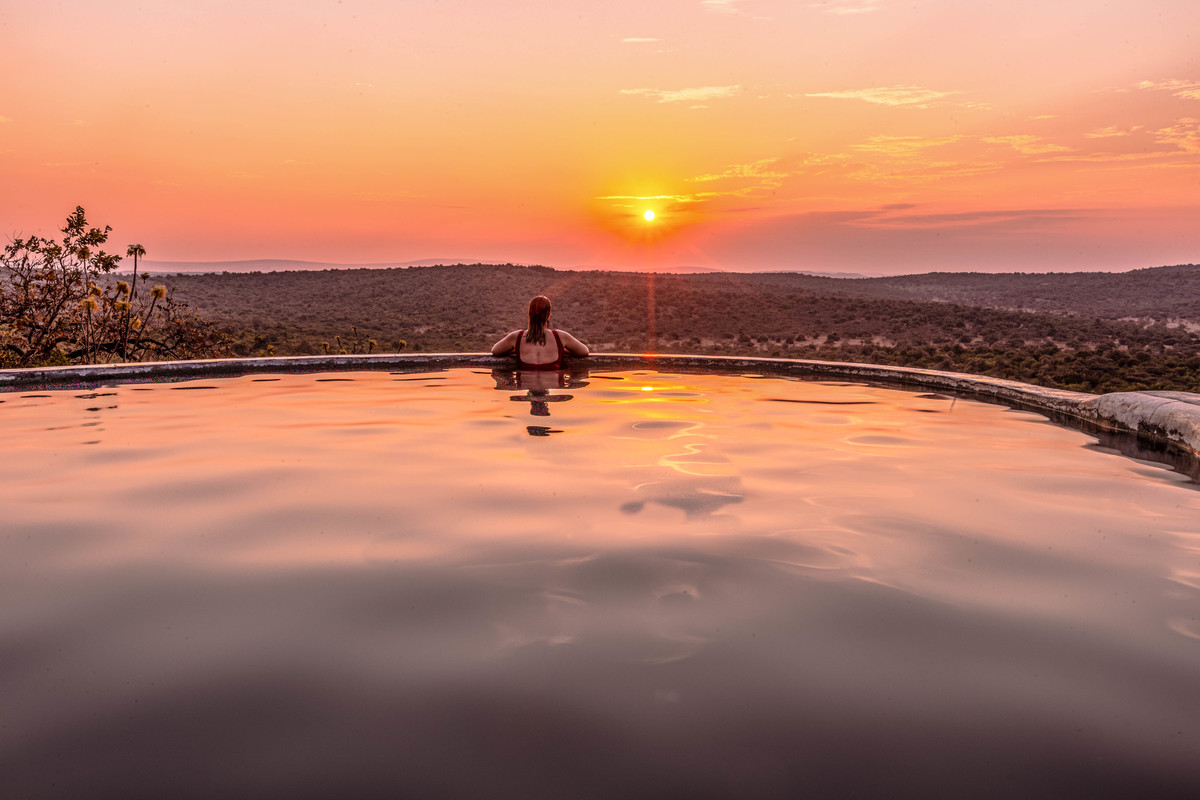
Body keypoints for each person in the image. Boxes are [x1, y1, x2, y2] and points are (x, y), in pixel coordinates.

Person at [491, 295, 589, 369]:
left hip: (525, 394)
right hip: (554, 391)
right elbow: (584, 351)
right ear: (549, 314)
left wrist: (516, 349)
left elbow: (495, 351)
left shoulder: (516, 337)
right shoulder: (561, 337)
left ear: (529, 313)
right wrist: (563, 350)